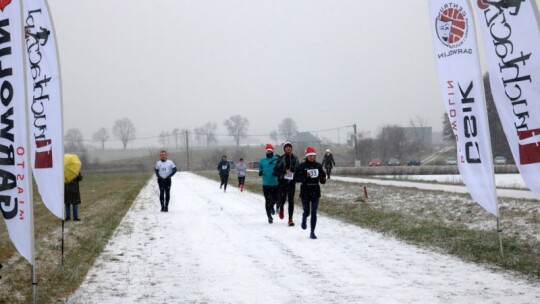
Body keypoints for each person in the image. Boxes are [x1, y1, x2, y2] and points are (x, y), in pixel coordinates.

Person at [295, 147, 326, 239]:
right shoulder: (302, 166)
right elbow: (296, 178)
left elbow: (323, 178)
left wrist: (322, 179)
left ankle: (312, 232)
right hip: (305, 190)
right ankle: (304, 218)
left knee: (314, 212)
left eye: (314, 156)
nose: (312, 158)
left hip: (315, 190)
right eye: (310, 156)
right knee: (307, 211)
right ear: (307, 156)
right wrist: (304, 176)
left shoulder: (318, 166)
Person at [273, 142, 299, 226]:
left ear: (291, 148)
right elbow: (275, 171)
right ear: (284, 149)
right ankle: (281, 209)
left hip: (291, 183)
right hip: (282, 183)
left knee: (291, 201)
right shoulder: (281, 158)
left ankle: (290, 219)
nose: (288, 148)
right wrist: (284, 172)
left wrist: (297, 176)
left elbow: (298, 169)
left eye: (289, 147)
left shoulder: (295, 158)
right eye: (286, 147)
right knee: (283, 199)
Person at [259, 144, 279, 224]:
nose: (269, 152)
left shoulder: (276, 159)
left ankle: (271, 207)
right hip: (266, 184)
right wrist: (260, 172)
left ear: (273, 151)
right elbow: (260, 168)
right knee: (267, 200)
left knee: (276, 199)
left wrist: (277, 172)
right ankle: (269, 217)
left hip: (275, 183)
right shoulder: (262, 160)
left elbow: (281, 167)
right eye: (268, 151)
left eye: (270, 151)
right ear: (266, 151)